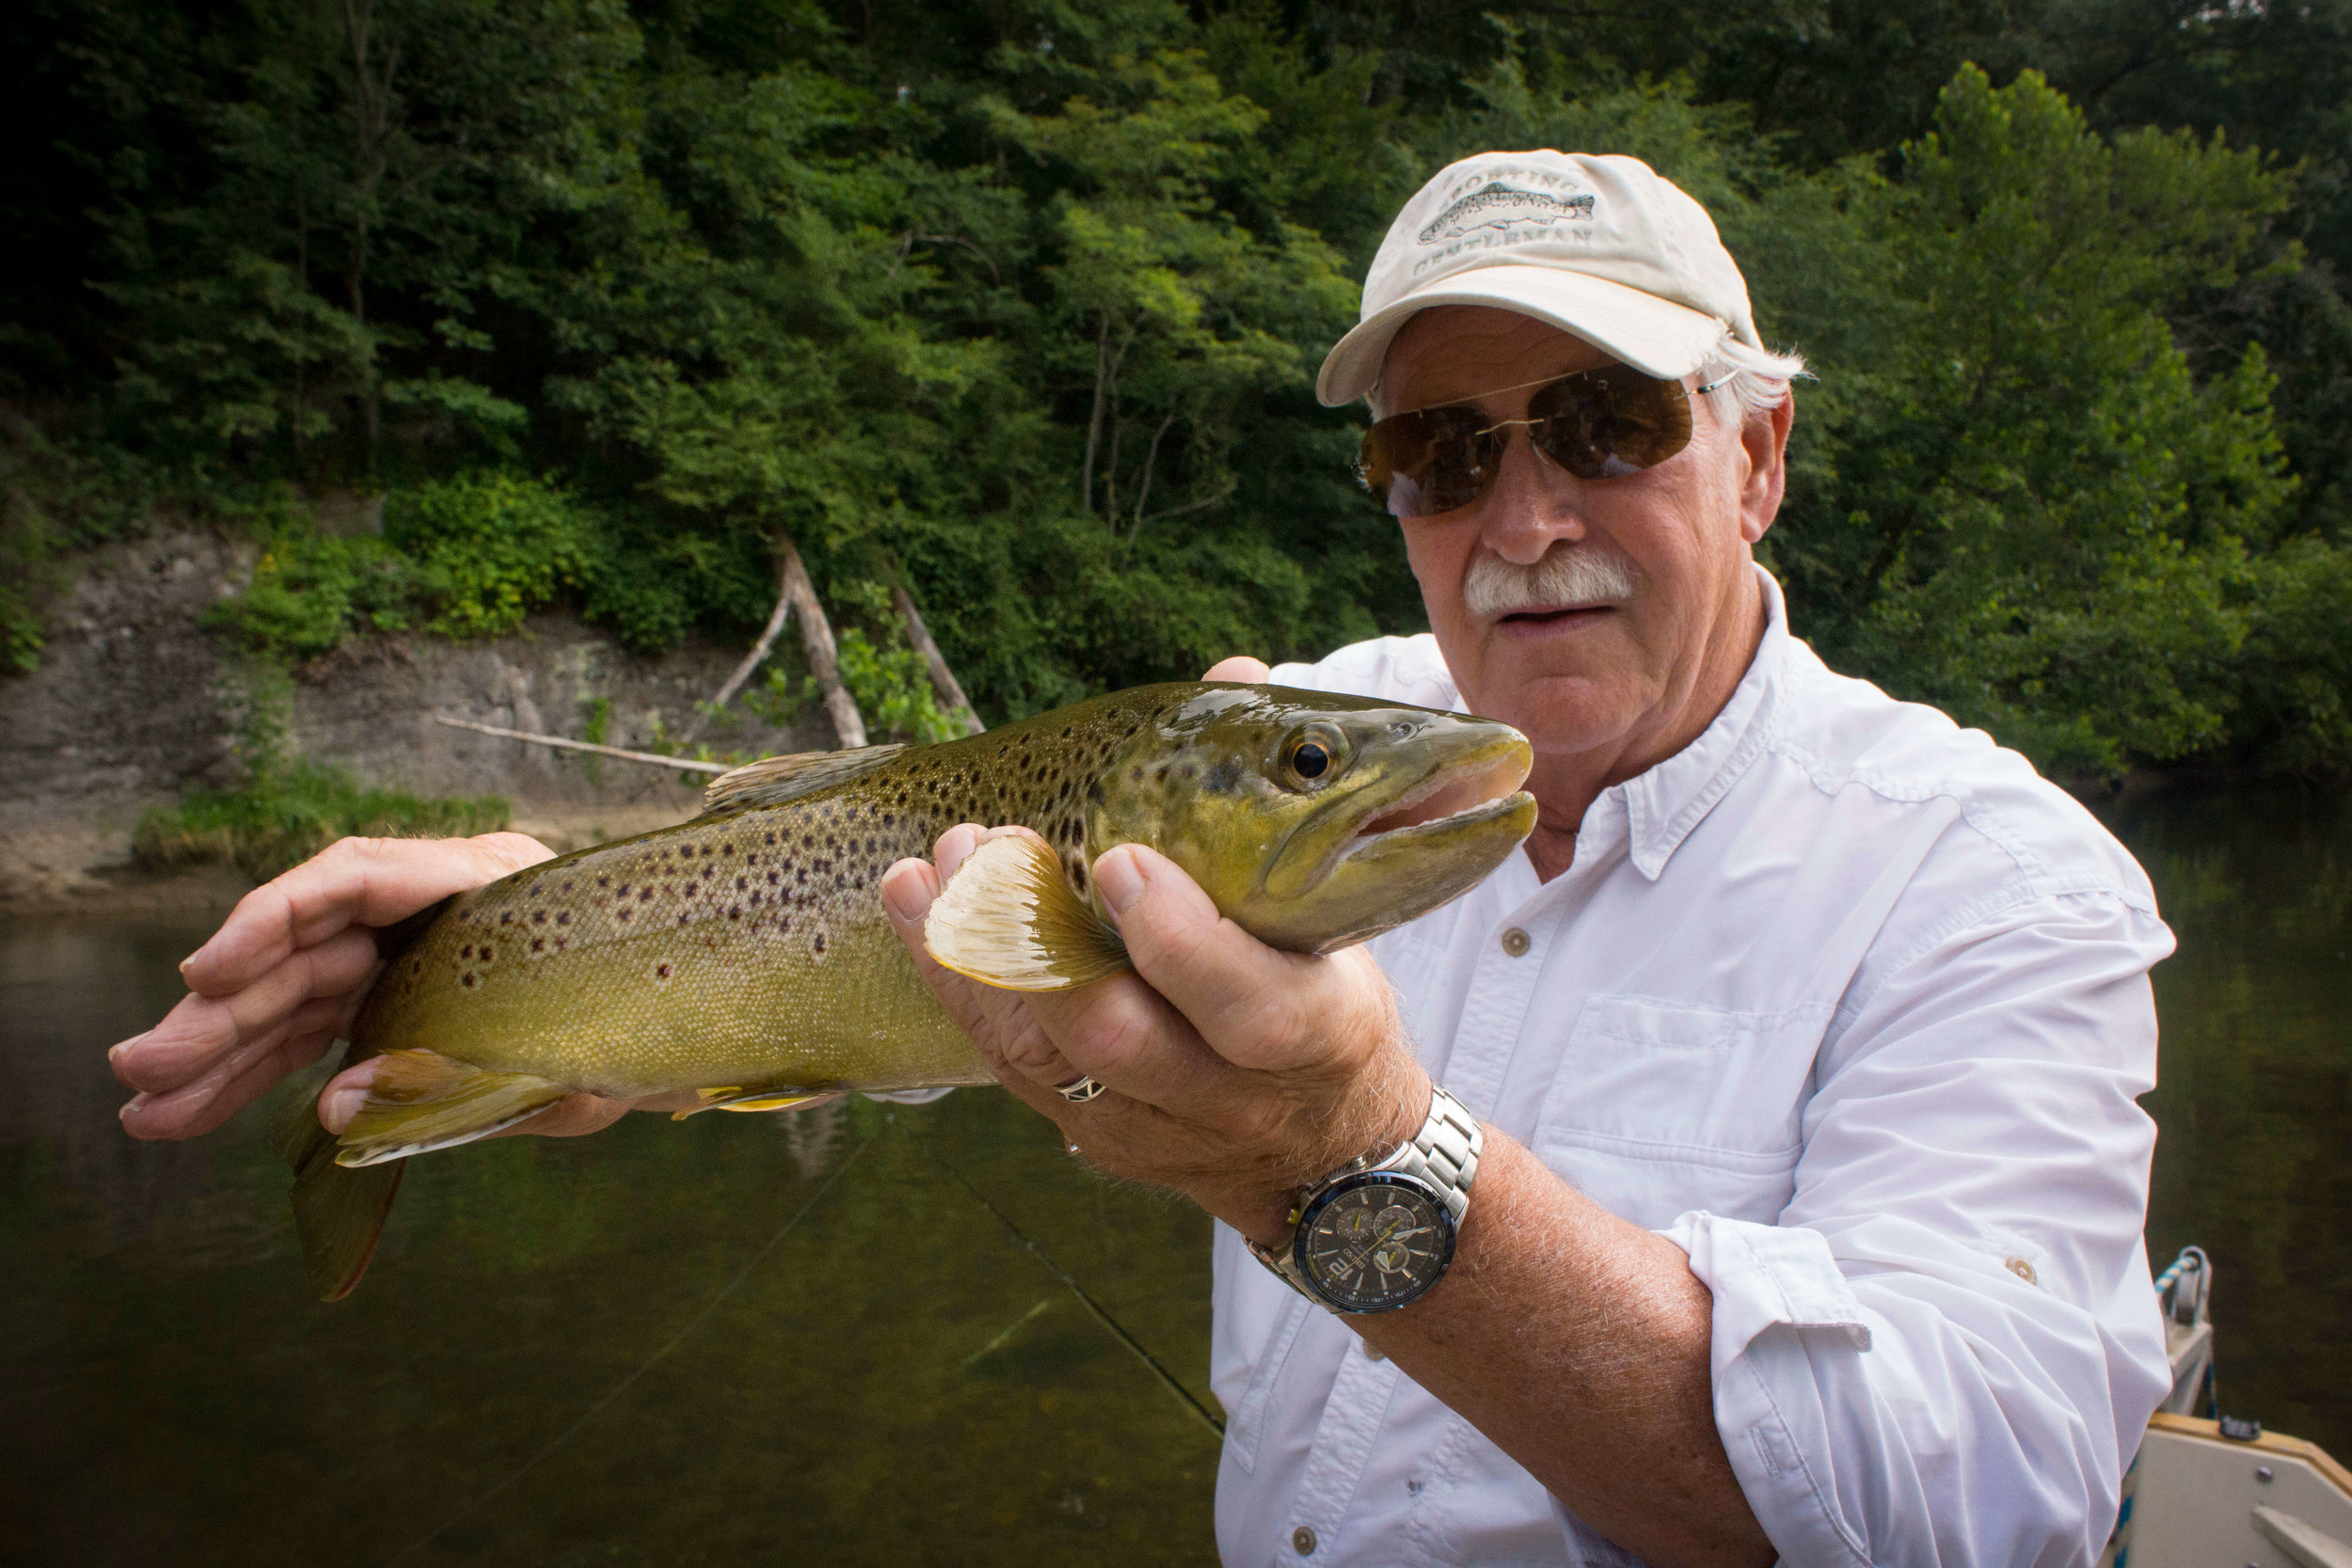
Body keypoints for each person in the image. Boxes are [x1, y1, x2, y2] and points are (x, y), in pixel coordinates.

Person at [112, 150, 2174, 1566]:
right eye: (1439, 454)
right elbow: (879, 871)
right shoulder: (1285, 735)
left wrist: (1339, 1147)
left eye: (1602, 423)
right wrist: (517, 921)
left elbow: (1976, 1511)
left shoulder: (1994, 887)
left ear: (1759, 451)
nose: (1519, 514)